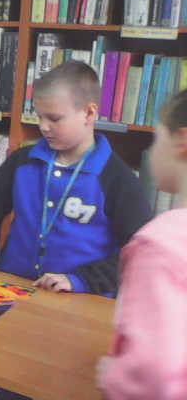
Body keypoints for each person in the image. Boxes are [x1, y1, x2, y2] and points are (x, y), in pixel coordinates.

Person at [0, 61, 153, 400]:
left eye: (55, 118)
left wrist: (83, 280)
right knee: (14, 380)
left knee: (63, 385)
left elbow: (138, 252)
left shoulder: (117, 179)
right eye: (39, 117)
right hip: (13, 294)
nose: (44, 127)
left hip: (79, 304)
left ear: (89, 113)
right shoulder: (22, 161)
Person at [96, 90, 187, 399]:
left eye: (156, 138)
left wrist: (114, 375)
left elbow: (154, 373)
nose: (152, 150)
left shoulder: (158, 245)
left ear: (181, 142)